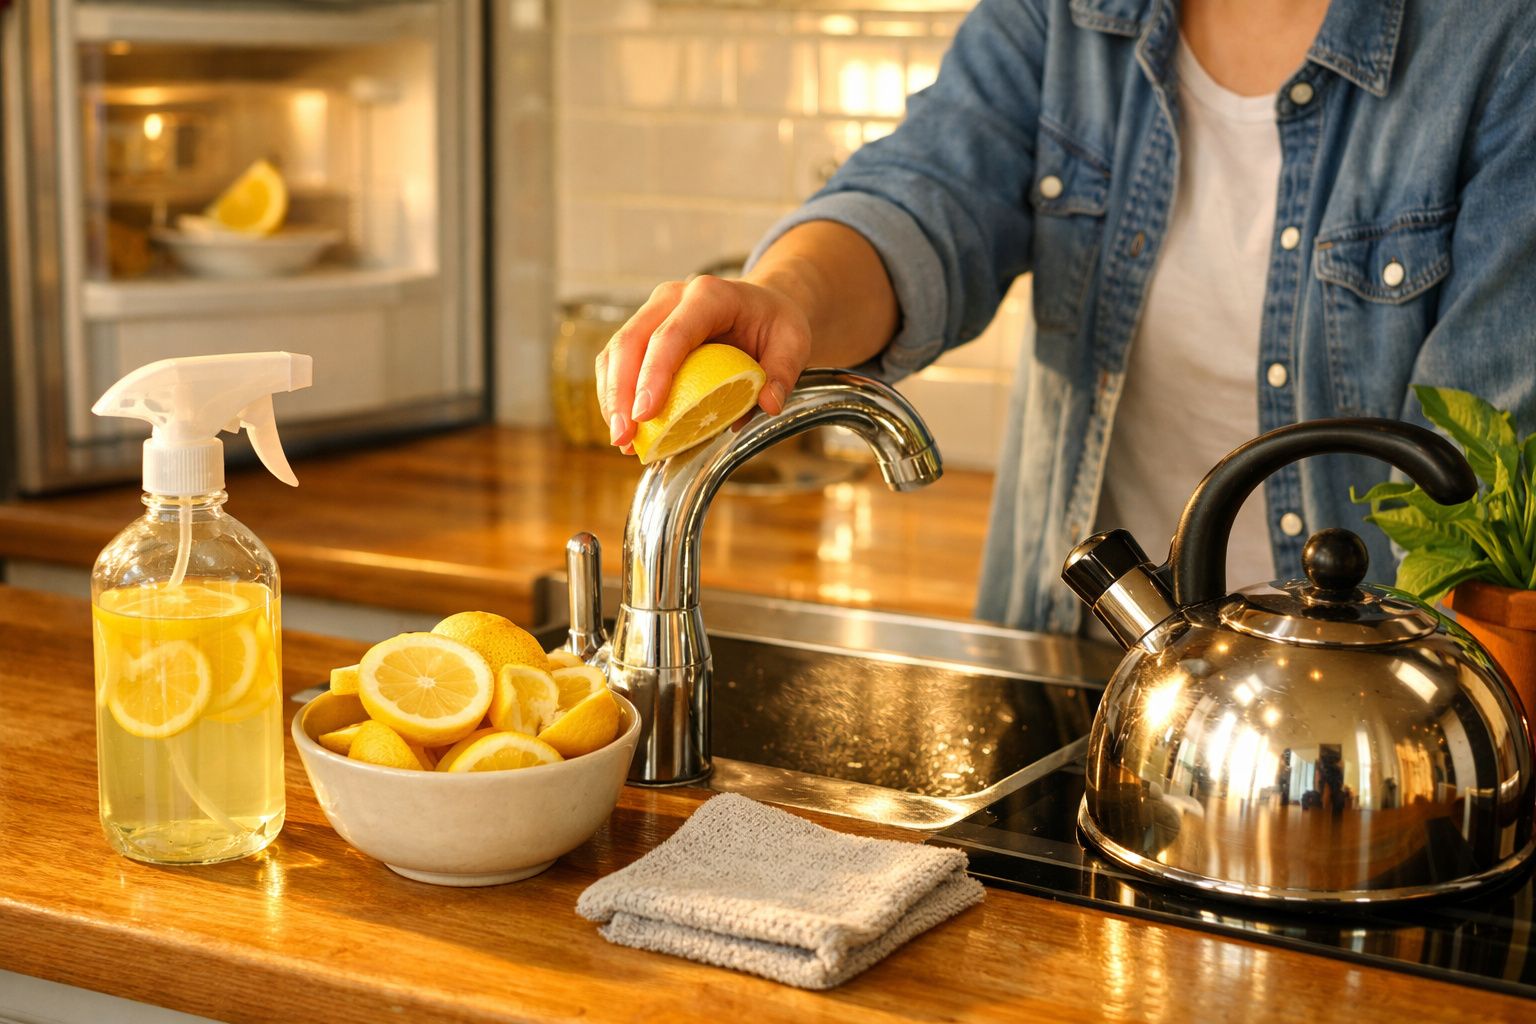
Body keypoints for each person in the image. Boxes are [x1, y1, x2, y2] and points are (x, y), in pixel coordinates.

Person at [596, 0, 1536, 635]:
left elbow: (1475, 489)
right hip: (1085, 675)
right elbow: (927, 192)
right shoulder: (1064, 13)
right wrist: (787, 299)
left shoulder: (1500, 40)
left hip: (1365, 732)